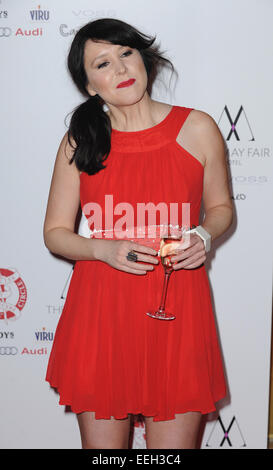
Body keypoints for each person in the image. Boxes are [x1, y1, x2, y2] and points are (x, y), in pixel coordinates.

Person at [43, 18, 233, 449]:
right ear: (89, 85)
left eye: (126, 53)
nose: (121, 69)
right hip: (100, 314)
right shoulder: (81, 140)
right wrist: (102, 249)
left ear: (143, 58)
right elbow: (55, 233)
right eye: (103, 63)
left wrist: (204, 235)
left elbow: (221, 208)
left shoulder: (197, 127)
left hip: (179, 312)